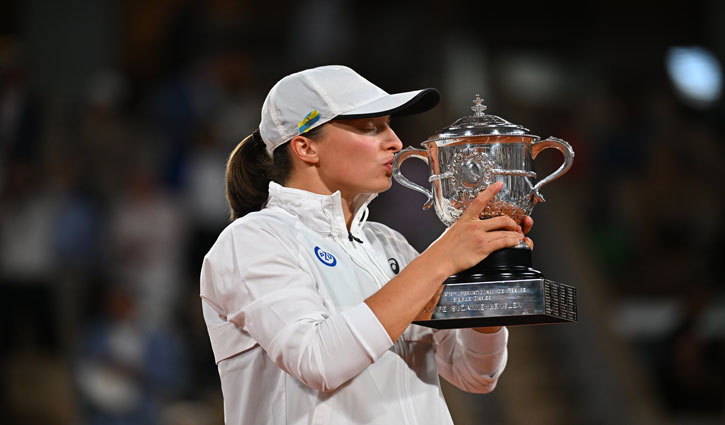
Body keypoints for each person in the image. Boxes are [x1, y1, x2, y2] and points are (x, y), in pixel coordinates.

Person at [200, 65, 534, 425]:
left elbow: (473, 373)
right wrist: (442, 258)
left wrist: (483, 289)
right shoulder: (253, 240)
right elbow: (318, 361)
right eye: (370, 128)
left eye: (389, 125)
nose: (395, 142)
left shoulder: (389, 244)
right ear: (305, 147)